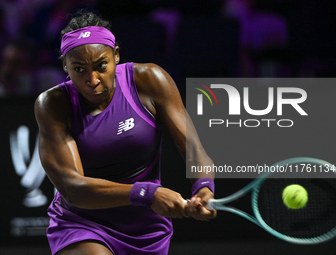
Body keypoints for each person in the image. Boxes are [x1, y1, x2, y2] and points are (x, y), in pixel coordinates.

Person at [34, 10, 215, 255]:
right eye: (79, 69)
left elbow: (193, 148)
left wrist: (203, 187)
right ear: (65, 65)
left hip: (146, 226)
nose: (93, 79)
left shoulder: (149, 80)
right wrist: (146, 192)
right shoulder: (52, 104)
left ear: (116, 55)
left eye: (101, 66)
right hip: (82, 221)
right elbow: (72, 187)